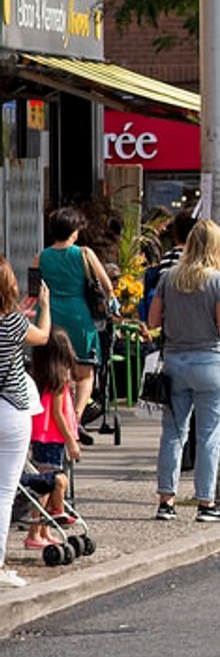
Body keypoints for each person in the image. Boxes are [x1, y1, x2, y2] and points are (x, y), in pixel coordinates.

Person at [148, 219, 220, 522]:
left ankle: (166, 500)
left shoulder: (169, 277)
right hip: (209, 360)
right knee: (210, 434)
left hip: (175, 361)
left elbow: (153, 320)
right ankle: (205, 502)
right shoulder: (218, 280)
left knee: (173, 432)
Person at [0, 260, 53, 589]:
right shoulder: (13, 323)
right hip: (13, 409)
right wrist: (44, 307)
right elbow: (43, 336)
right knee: (4, 492)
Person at [38, 206, 115, 430]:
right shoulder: (84, 254)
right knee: (84, 375)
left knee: (54, 371)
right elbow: (107, 287)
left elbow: (35, 293)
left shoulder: (41, 257)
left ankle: (54, 420)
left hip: (50, 319)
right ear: (74, 231)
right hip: (80, 318)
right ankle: (76, 420)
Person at [21, 326, 82, 555]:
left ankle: (44, 531)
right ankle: (36, 531)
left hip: (42, 436)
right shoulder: (58, 380)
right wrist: (71, 441)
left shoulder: (41, 376)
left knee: (44, 482)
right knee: (47, 484)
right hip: (52, 437)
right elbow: (58, 414)